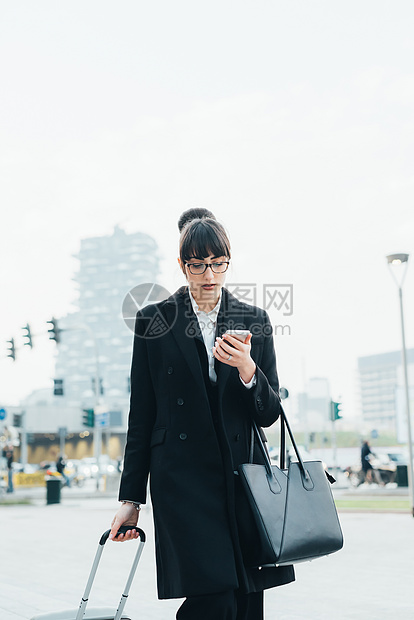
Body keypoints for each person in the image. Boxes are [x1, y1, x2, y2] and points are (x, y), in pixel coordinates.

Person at [110, 209, 295, 619]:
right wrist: (131, 498)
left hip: (242, 480)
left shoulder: (255, 321)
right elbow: (141, 415)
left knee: (246, 600)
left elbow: (269, 415)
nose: (208, 275)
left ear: (228, 261)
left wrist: (248, 369)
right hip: (182, 481)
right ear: (182, 265)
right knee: (214, 599)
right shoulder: (153, 321)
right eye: (197, 265)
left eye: (217, 263)